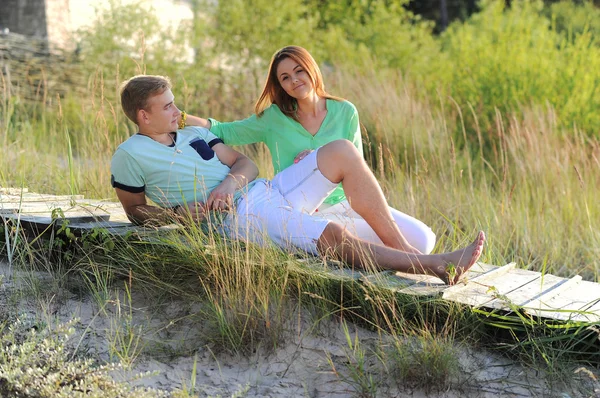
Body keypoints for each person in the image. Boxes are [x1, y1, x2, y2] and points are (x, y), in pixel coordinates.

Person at [111, 74, 485, 285]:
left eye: (175, 102)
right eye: (168, 106)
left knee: (341, 150)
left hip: (262, 191)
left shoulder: (194, 136)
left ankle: (419, 257)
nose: (178, 111)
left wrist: (229, 184)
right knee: (329, 235)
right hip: (237, 222)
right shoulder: (129, 155)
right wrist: (177, 214)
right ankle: (433, 265)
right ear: (144, 116)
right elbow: (135, 212)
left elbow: (245, 164)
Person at [182, 45, 436, 255]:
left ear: (311, 69)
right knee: (404, 246)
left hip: (341, 205)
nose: (294, 80)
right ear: (280, 86)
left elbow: (358, 170)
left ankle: (390, 249)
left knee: (424, 240)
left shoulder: (345, 112)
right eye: (285, 78)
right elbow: (223, 130)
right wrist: (177, 116)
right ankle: (395, 249)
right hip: (300, 206)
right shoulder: (274, 118)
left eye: (298, 71)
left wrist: (320, 163)